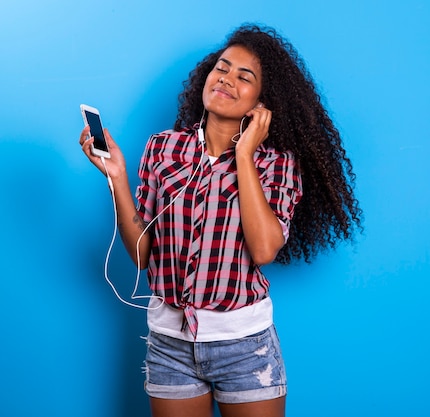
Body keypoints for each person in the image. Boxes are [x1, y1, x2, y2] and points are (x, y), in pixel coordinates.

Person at [79, 23, 361, 417]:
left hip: (245, 347)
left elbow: (263, 249)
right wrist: (118, 178)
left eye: (244, 77)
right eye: (222, 68)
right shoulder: (163, 149)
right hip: (169, 345)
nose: (227, 79)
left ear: (263, 102)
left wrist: (244, 155)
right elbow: (142, 256)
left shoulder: (276, 164)